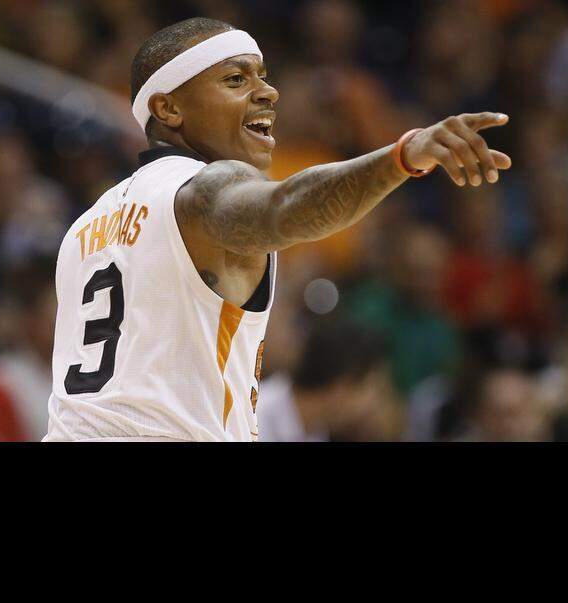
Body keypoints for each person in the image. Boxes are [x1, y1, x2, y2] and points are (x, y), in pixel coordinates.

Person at [44, 17, 512, 441]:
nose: (268, 92)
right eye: (235, 80)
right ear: (168, 109)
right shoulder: (204, 189)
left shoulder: (85, 227)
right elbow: (283, 205)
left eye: (263, 76)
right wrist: (402, 156)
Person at [258, 316, 398, 442]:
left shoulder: (316, 431)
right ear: (343, 385)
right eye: (376, 392)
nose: (374, 406)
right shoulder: (253, 413)